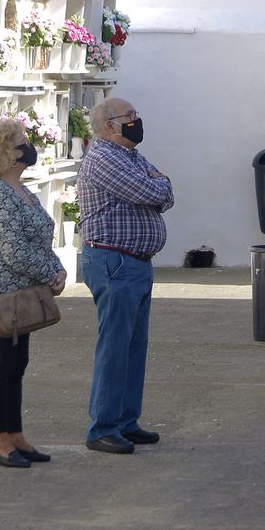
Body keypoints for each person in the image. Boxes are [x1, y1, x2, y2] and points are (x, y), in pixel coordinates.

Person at [0, 116, 67, 469]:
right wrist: (49, 272)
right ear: (6, 152)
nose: (29, 145)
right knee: (0, 365)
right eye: (21, 141)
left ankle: (16, 435)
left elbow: (40, 238)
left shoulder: (21, 190)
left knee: (17, 364)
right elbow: (12, 249)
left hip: (22, 290)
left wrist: (56, 267)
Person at [78, 97, 173, 454]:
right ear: (108, 127)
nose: (136, 120)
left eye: (136, 114)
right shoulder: (104, 157)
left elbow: (166, 193)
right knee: (115, 347)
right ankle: (102, 427)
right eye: (128, 116)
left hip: (135, 263)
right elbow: (150, 189)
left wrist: (158, 185)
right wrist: (157, 184)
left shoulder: (130, 156)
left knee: (134, 347)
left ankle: (126, 421)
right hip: (114, 262)